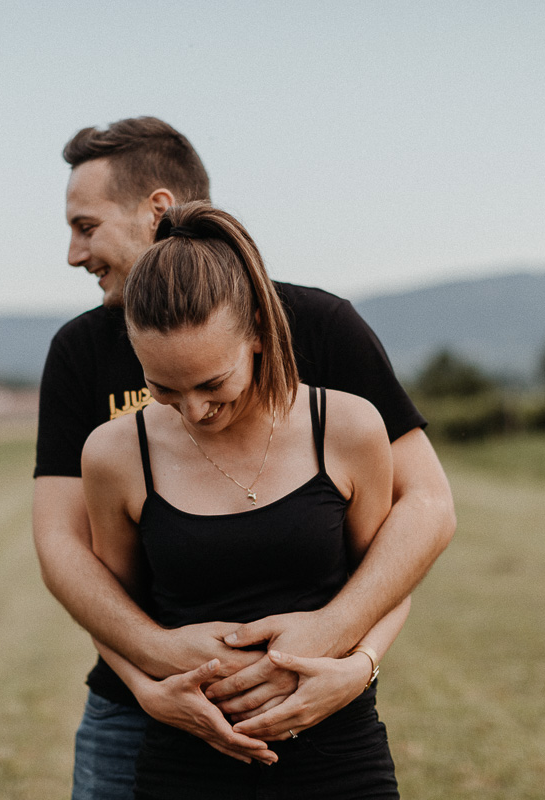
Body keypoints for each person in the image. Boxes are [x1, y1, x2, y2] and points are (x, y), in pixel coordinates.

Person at [33, 117, 455, 798]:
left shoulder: (320, 328)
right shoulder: (83, 353)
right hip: (142, 715)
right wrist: (154, 665)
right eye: (164, 388)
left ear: (158, 210)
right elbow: (61, 540)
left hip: (320, 725)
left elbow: (427, 506)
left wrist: (339, 645)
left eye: (86, 226)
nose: (75, 254)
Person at [83, 201, 406, 797]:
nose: (195, 411)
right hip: (186, 765)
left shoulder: (348, 427)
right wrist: (148, 692)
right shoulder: (113, 454)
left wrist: (359, 671)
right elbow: (108, 610)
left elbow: (387, 582)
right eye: (163, 389)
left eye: (212, 383)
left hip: (340, 759)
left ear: (258, 328)